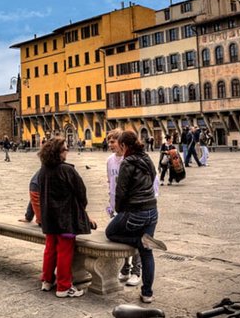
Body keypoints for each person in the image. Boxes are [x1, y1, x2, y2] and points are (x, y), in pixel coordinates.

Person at [105, 130, 167, 304]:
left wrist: (118, 210)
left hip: (135, 211)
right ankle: (147, 293)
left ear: (124, 146)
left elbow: (121, 191)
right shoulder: (146, 158)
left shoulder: (127, 162)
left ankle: (139, 241)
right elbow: (154, 176)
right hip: (152, 211)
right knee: (147, 252)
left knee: (110, 233)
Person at [38, 137, 95, 298]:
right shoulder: (67, 170)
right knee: (64, 251)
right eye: (65, 149)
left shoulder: (43, 169)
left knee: (50, 249)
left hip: (49, 218)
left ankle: (47, 280)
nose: (67, 151)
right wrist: (82, 208)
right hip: (66, 218)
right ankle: (63, 286)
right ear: (58, 152)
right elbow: (81, 193)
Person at [105, 129, 141, 286]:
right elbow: (110, 182)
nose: (110, 145)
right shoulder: (109, 161)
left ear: (121, 143)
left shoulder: (132, 160)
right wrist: (111, 204)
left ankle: (136, 270)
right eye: (109, 142)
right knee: (122, 235)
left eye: (112, 141)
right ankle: (125, 268)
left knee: (136, 234)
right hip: (117, 205)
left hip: (132, 205)